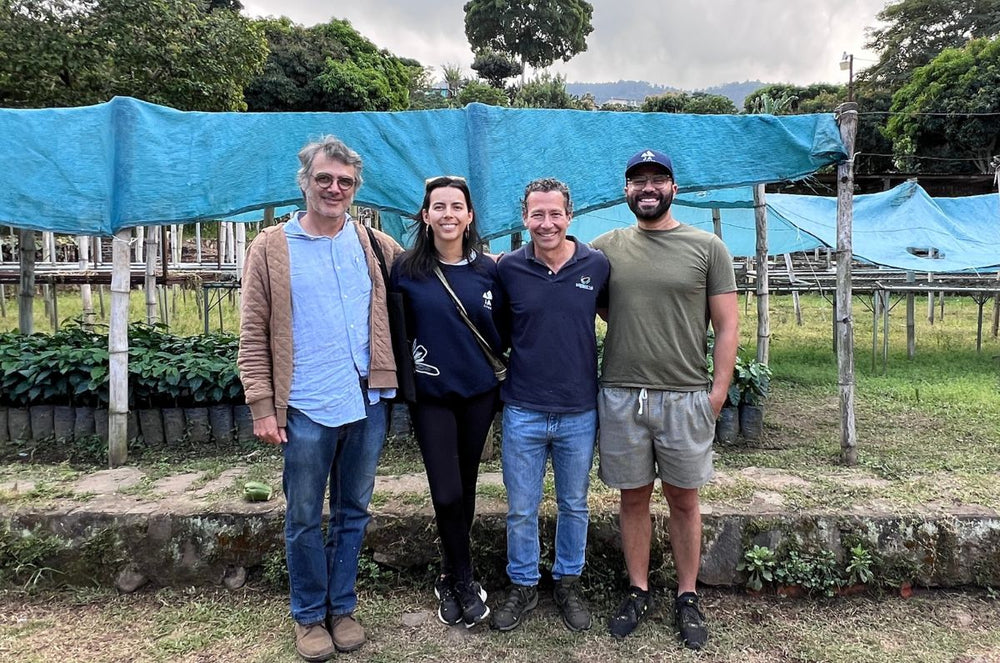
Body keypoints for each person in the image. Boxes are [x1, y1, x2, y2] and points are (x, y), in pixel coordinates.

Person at [238, 135, 403, 662]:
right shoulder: (271, 247)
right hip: (305, 404)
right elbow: (252, 332)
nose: (335, 188)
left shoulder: (375, 245)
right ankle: (309, 616)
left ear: (356, 188)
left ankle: (343, 607)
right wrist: (263, 405)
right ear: (305, 182)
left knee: (354, 509)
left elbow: (431, 274)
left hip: (367, 400)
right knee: (305, 514)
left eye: (345, 181)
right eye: (324, 179)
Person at [591, 149, 738, 650]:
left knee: (684, 498)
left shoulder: (707, 247)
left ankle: (688, 594)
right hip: (621, 394)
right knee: (632, 496)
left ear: (674, 187)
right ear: (626, 190)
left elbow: (727, 325)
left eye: (657, 179)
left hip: (685, 396)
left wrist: (716, 393)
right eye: (637, 180)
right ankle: (638, 589)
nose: (647, 188)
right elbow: (601, 305)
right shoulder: (605, 248)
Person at [490, 178, 609, 633]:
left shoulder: (596, 265)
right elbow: (496, 329)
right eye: (537, 215)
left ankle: (568, 581)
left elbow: (616, 314)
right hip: (523, 407)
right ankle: (522, 585)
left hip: (579, 409)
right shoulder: (509, 270)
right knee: (522, 505)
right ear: (524, 218)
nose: (546, 223)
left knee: (574, 504)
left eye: (554, 213)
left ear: (569, 216)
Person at [389, 176, 505, 628]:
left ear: (470, 215)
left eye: (457, 206)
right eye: (439, 207)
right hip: (431, 396)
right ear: (425, 215)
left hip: (479, 392)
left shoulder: (489, 270)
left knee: (467, 484)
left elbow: (506, 328)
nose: (448, 214)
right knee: (446, 489)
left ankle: (450, 572)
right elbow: (394, 329)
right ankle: (464, 577)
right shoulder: (405, 269)